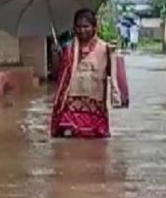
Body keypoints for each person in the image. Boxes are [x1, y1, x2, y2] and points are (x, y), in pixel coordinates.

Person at [50, 8, 117, 138]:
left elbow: (113, 75)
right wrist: (55, 55)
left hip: (95, 110)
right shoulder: (68, 48)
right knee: (68, 141)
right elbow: (57, 75)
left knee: (97, 145)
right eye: (78, 27)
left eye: (86, 26)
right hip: (69, 109)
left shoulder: (104, 49)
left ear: (94, 28)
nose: (82, 30)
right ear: (74, 28)